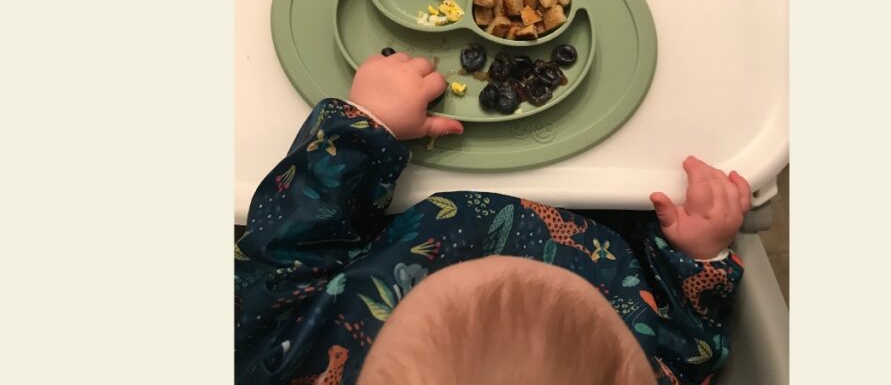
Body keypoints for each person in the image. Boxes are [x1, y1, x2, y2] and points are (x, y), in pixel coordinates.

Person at [235, 52, 751, 385]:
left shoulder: (289, 361)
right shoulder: (653, 372)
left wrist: (364, 127)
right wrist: (698, 257)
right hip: (622, 230)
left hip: (389, 208)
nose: (501, 258)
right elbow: (693, 351)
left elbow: (285, 249)